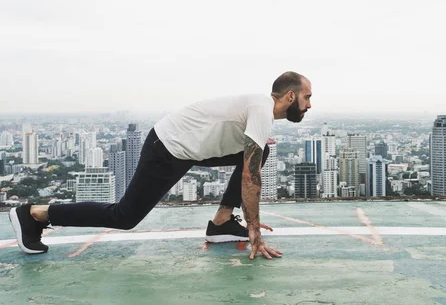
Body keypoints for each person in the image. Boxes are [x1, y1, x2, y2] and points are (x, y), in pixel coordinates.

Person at [9, 71, 312, 260]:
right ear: (289, 95)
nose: (309, 104)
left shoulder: (261, 109)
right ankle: (35, 214)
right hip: (167, 147)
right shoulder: (260, 108)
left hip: (189, 149)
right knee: (125, 216)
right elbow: (250, 176)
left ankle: (220, 223)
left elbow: (250, 165)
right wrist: (254, 231)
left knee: (260, 155)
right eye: (306, 97)